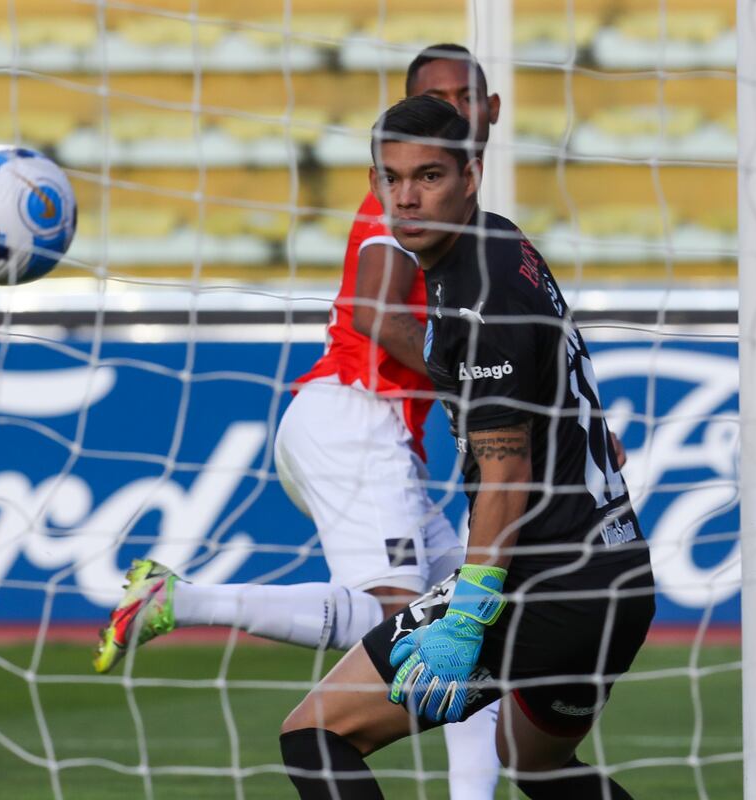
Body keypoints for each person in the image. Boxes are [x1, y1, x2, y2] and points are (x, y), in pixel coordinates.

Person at [93, 45, 510, 800]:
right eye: (436, 97)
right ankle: (182, 601)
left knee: (479, 631)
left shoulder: (467, 219)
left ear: (494, 110)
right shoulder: (399, 200)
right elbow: (381, 316)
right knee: (396, 616)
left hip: (364, 426)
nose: (455, 110)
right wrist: (480, 385)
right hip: (355, 415)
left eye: (466, 96)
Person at [276, 96, 656, 800]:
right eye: (391, 180)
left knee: (315, 734)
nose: (408, 199)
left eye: (429, 177)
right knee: (532, 759)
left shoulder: (477, 303)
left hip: (542, 583)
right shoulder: (503, 245)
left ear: (472, 175)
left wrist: (469, 612)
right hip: (618, 577)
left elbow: (506, 471)